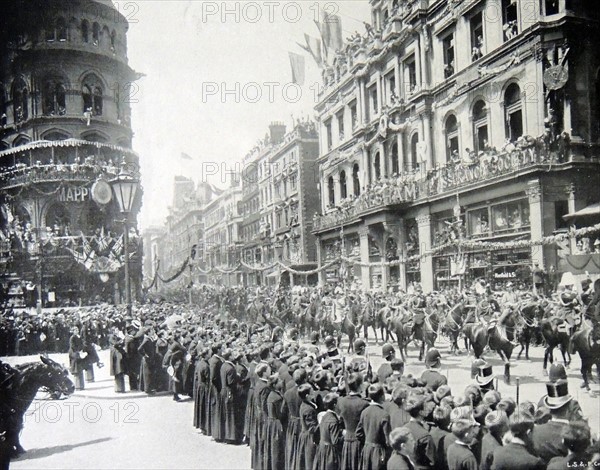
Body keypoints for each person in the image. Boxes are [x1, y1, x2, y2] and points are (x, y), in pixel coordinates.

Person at [356, 383, 392, 470]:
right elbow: (387, 440)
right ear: (382, 396)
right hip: (379, 451)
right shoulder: (384, 414)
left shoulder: (365, 412)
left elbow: (358, 433)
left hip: (366, 450)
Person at [404, 394, 435, 469]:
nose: (428, 408)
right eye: (425, 407)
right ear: (421, 412)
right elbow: (432, 461)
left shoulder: (404, 428)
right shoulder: (425, 436)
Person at [313, 392, 343, 470]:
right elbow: (335, 441)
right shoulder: (333, 420)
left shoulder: (324, 416)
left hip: (322, 448)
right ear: (335, 405)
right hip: (330, 452)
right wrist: (343, 435)